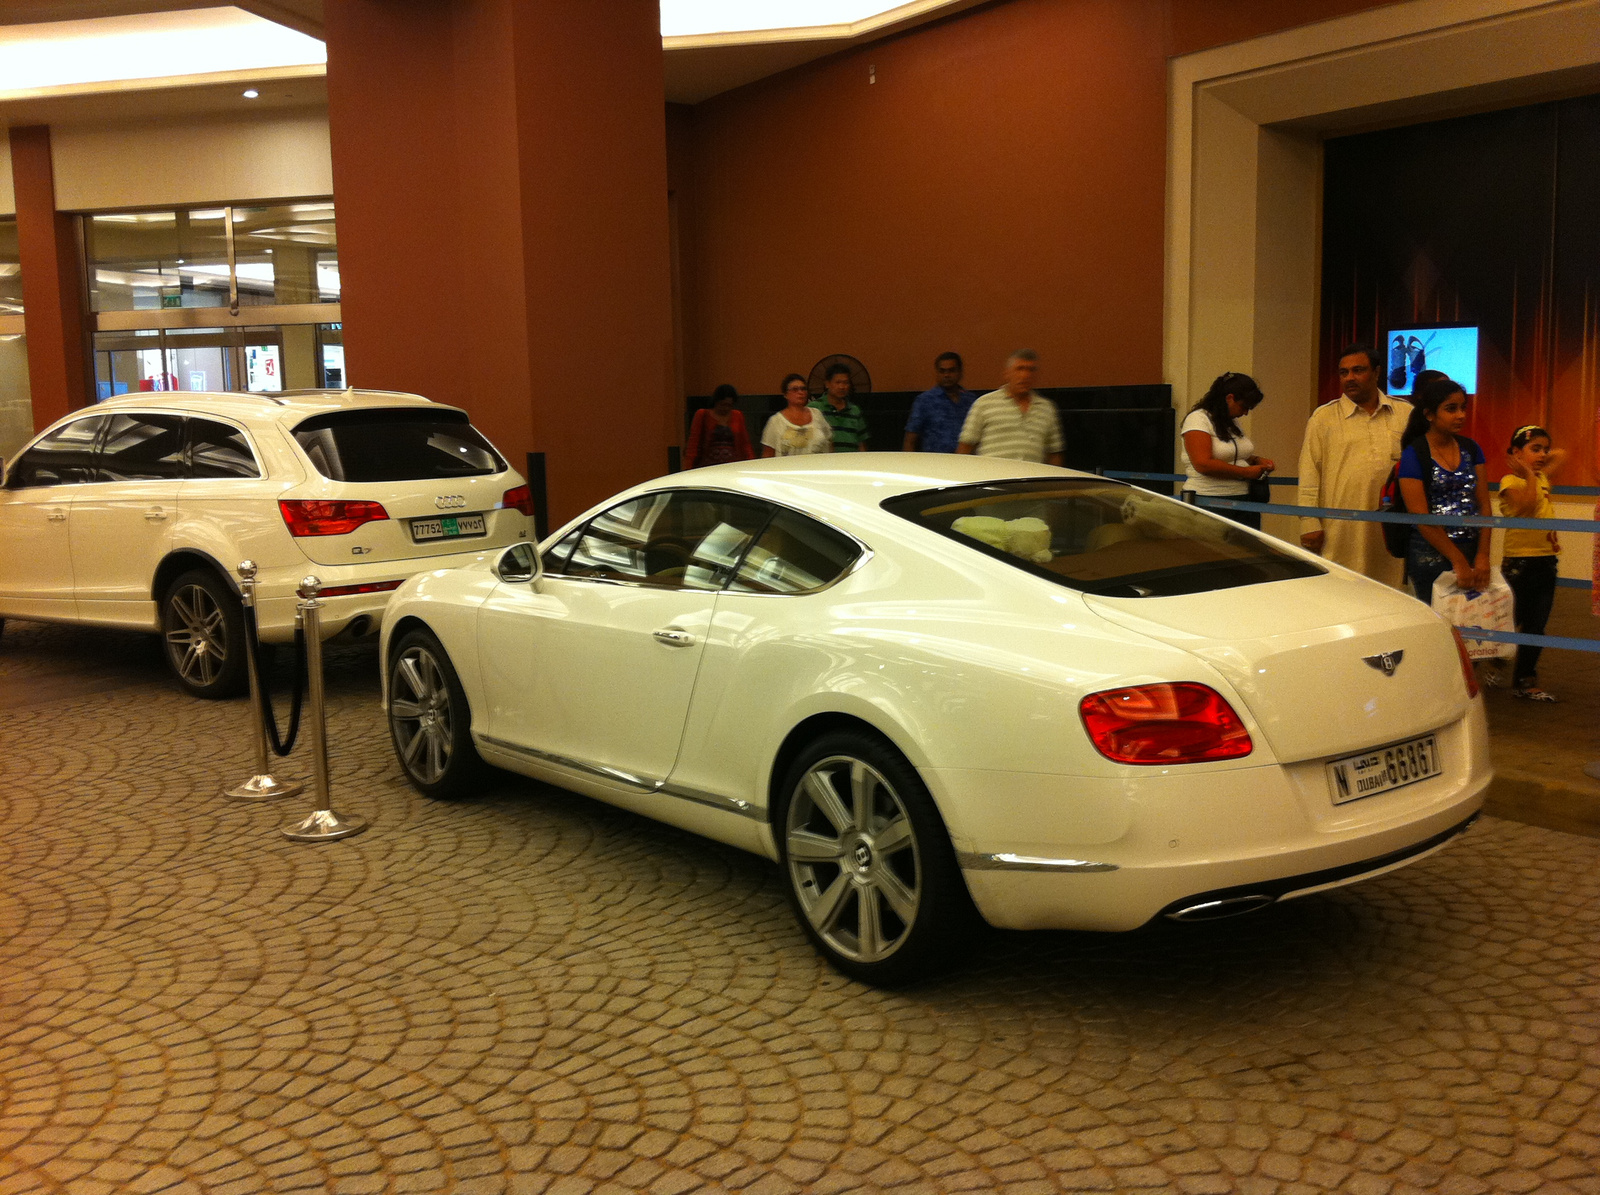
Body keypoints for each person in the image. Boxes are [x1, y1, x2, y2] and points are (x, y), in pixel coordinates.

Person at [1297, 343, 1413, 586]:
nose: (1350, 378)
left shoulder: (1404, 413)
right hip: (1341, 530)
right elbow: (1309, 472)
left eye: (1358, 370)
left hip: (1392, 530)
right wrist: (1308, 521)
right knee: (1341, 592)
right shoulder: (1323, 418)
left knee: (1393, 593)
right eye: (1344, 372)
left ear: (1377, 372)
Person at [1396, 376, 1490, 606]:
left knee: (1473, 624)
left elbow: (1484, 505)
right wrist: (1457, 559)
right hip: (1429, 554)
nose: (1461, 415)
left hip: (1470, 548)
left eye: (1462, 408)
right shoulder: (1413, 454)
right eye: (1451, 409)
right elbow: (1421, 517)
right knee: (1439, 626)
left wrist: (1483, 555)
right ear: (1429, 414)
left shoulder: (1471, 448)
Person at [1496, 424, 1566, 701]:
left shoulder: (1541, 478)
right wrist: (1525, 470)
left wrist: (1537, 461)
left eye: (1543, 449)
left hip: (1546, 561)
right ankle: (1494, 660)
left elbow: (1562, 454)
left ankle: (1526, 680)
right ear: (1515, 453)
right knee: (1511, 622)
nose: (1543, 454)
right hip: (1519, 563)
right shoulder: (1509, 482)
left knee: (1537, 625)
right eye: (1534, 449)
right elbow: (1524, 508)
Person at [1179, 372, 1275, 530]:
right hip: (1208, 501)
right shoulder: (1198, 419)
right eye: (1244, 406)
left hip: (1244, 500)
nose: (1245, 413)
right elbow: (1203, 464)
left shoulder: (1232, 422)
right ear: (1229, 398)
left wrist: (1256, 460)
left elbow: (1232, 454)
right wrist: (1245, 472)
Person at [956, 349, 1063, 465]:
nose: (1025, 375)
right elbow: (965, 448)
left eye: (1031, 370)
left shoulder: (1047, 408)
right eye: (1019, 369)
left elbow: (1054, 454)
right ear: (1007, 374)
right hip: (993, 480)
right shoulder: (984, 404)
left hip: (1032, 480)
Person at [903, 352, 977, 453]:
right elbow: (910, 441)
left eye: (951, 371)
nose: (947, 375)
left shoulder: (971, 400)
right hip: (934, 463)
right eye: (942, 371)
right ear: (937, 373)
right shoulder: (924, 401)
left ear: (960, 372)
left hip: (965, 462)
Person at [761, 373, 832, 457]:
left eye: (803, 389)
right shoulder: (776, 421)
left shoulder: (817, 414)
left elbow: (829, 443)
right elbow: (768, 454)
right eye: (795, 389)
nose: (800, 392)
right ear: (785, 394)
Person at [684, 383, 753, 469]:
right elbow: (693, 443)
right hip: (707, 466)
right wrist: (688, 467)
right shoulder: (703, 415)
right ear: (716, 402)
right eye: (722, 404)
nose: (726, 408)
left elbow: (745, 444)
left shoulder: (737, 416)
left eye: (729, 405)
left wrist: (750, 463)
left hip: (732, 466)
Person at [811, 363, 869, 451]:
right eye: (838, 382)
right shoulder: (814, 408)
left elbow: (861, 442)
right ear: (827, 384)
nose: (842, 387)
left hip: (852, 461)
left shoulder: (854, 410)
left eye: (846, 383)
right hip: (825, 462)